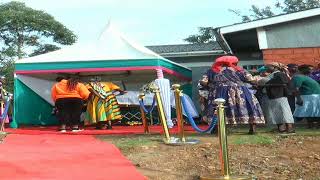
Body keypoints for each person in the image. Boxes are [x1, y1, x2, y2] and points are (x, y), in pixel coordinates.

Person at [199, 56, 265, 134]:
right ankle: (252, 128)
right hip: (240, 92)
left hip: (220, 92)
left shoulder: (212, 71)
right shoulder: (240, 70)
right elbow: (251, 80)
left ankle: (218, 129)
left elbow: (204, 82)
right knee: (250, 106)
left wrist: (209, 84)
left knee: (218, 109)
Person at [263, 63, 295, 133]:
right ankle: (281, 129)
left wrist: (267, 83)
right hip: (274, 95)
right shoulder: (274, 74)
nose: (266, 68)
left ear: (275, 67)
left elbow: (284, 81)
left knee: (284, 112)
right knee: (277, 112)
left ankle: (289, 128)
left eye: (268, 66)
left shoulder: (279, 74)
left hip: (279, 95)